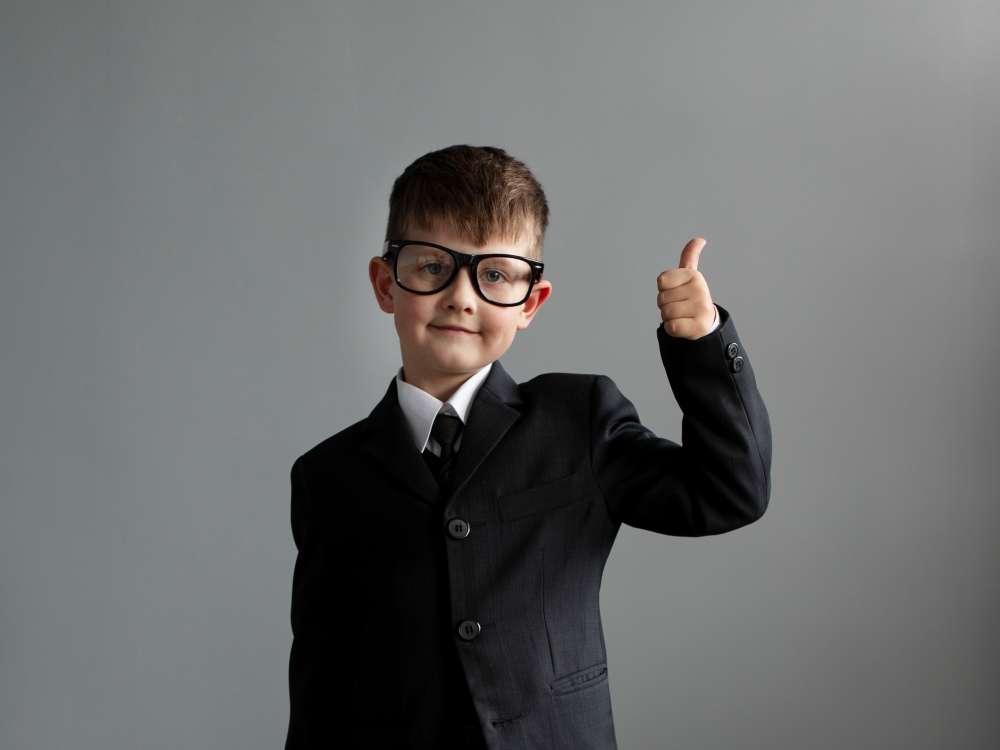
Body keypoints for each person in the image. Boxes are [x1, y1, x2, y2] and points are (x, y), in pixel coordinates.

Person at [283, 144, 772, 749]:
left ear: (530, 303)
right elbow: (321, 685)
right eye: (432, 267)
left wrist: (702, 344)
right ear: (387, 284)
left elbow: (730, 492)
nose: (462, 296)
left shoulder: (579, 419)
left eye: (494, 275)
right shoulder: (329, 476)